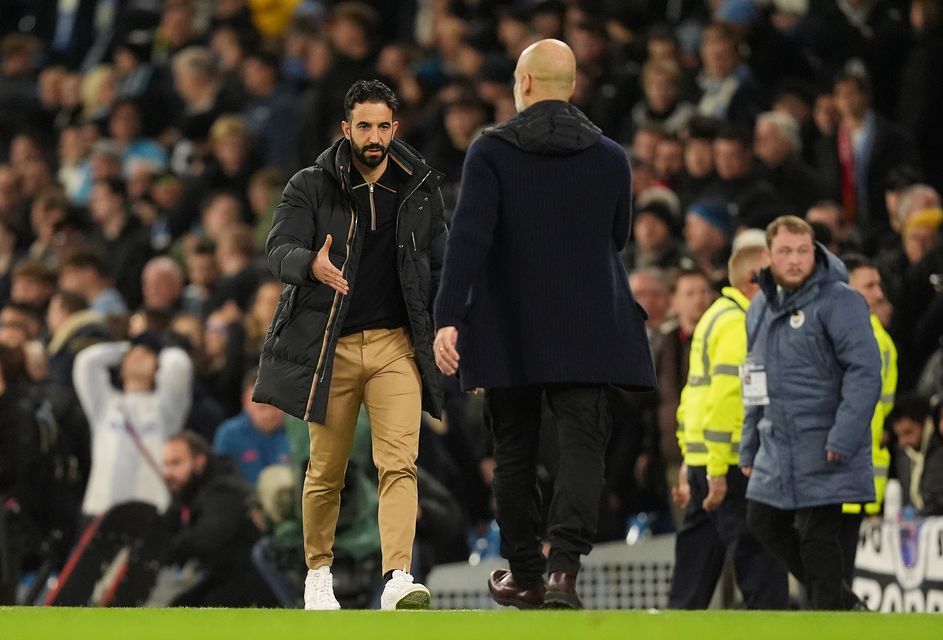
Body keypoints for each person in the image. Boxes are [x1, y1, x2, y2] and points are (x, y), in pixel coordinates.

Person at [432, 39, 655, 610]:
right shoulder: (611, 158)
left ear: (523, 84)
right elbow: (619, 235)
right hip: (590, 321)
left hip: (510, 324)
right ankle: (563, 573)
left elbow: (469, 242)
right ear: (572, 85)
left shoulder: (491, 153)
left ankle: (525, 571)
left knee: (513, 448)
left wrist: (449, 318)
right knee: (582, 446)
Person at [253, 80, 447, 611]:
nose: (374, 136)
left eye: (384, 126)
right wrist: (308, 265)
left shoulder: (420, 187)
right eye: (364, 126)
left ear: (395, 128)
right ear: (346, 129)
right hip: (330, 347)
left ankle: (398, 576)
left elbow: (439, 266)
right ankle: (319, 574)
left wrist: (449, 325)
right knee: (325, 470)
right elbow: (278, 248)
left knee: (399, 462)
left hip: (395, 346)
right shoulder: (311, 186)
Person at [740, 215, 881, 611]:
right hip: (776, 445)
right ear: (769, 255)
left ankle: (829, 619)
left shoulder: (840, 300)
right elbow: (754, 380)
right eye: (785, 251)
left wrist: (844, 436)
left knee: (818, 539)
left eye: (803, 250)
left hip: (826, 443)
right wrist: (749, 445)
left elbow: (866, 371)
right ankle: (844, 605)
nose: (796, 259)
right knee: (762, 521)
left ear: (815, 250)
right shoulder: (759, 309)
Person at [669, 244, 788, 610]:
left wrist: (693, 458)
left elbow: (693, 396)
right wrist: (720, 467)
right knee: (760, 552)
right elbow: (728, 397)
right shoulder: (739, 324)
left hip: (709, 456)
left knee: (698, 557)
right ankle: (773, 632)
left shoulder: (717, 316)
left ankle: (676, 627)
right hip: (734, 459)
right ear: (755, 280)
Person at [73, 334, 194, 517]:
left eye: (146, 355)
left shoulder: (166, 409)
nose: (138, 356)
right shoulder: (105, 404)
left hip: (151, 511)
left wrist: (157, 347)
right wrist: (125, 347)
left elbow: (178, 363)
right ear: (121, 366)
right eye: (132, 355)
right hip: (101, 510)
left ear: (157, 367)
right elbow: (86, 361)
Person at [161, 431, 277, 607]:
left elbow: (207, 537)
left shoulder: (224, 490)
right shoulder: (190, 488)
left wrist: (165, 552)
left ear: (200, 461)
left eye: (176, 463)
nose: (168, 473)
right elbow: (168, 523)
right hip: (224, 575)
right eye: (166, 464)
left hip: (255, 579)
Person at [839, 254, 898, 581]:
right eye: (869, 285)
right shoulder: (871, 339)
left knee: (832, 564)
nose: (879, 294)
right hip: (854, 469)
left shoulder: (870, 338)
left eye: (879, 285)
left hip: (845, 469)